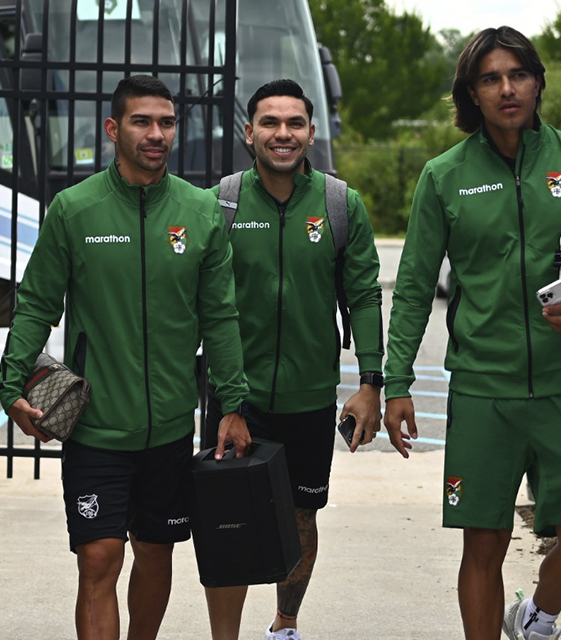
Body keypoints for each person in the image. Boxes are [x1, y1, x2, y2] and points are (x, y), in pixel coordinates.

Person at [382, 26, 561, 640]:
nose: (506, 88)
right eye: (490, 78)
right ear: (472, 93)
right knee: (482, 544)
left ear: (538, 82)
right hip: (485, 390)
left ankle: (536, 615)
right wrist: (396, 383)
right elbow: (412, 287)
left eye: (518, 74)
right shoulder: (443, 176)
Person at [0, 74, 250, 640]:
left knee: (155, 555)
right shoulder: (73, 210)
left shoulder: (201, 211)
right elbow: (37, 303)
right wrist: (9, 381)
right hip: (96, 429)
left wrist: (232, 404)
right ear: (114, 129)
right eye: (142, 121)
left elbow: (221, 317)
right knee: (98, 559)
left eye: (165, 122)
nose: (156, 133)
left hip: (167, 431)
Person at [202, 78, 384, 640]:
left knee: (302, 518)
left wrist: (370, 383)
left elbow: (366, 295)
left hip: (308, 397)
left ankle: (285, 626)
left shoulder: (338, 203)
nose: (283, 134)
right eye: (270, 123)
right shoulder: (222, 204)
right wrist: (224, 397)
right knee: (227, 520)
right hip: (238, 398)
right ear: (249, 132)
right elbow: (200, 303)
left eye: (295, 123)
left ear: (310, 131)